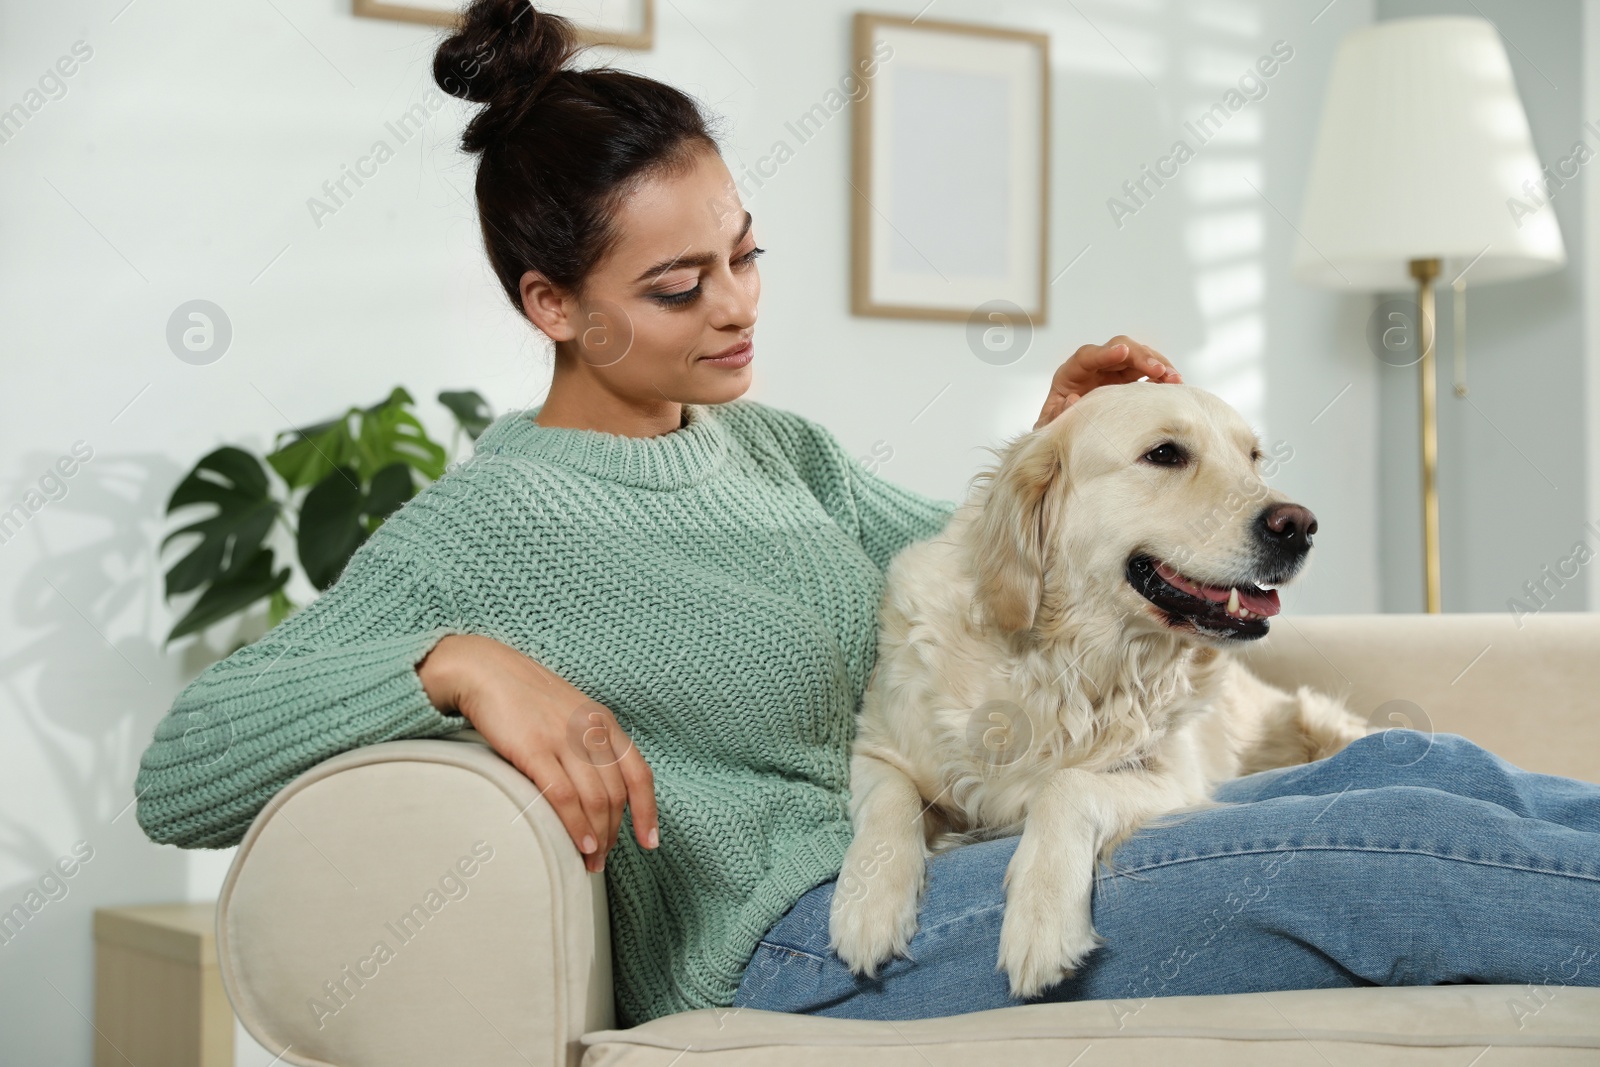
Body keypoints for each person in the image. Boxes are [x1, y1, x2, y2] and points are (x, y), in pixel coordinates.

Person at [134, 0, 1600, 1031]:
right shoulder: (487, 530)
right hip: (797, 940)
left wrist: (1069, 447)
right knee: (1375, 849)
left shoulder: (778, 451)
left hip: (956, 853)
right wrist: (456, 662)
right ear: (549, 306)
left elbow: (986, 578)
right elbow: (183, 772)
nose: (736, 308)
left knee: (1409, 766)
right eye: (676, 286)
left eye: (745, 256)